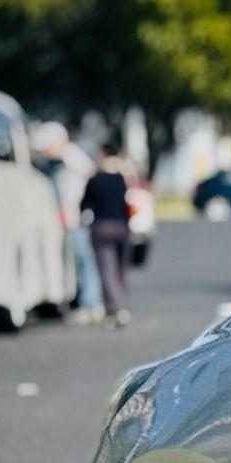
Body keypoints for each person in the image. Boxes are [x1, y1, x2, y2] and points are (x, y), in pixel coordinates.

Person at [32, 122, 103, 321]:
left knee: (83, 261)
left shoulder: (70, 158)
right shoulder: (65, 161)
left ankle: (91, 302)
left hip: (75, 220)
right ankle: (83, 300)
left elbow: (82, 183)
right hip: (70, 219)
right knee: (76, 262)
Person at [80, 142, 134, 327]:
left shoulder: (95, 179)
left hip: (102, 227)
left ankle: (116, 308)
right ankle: (119, 305)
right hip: (122, 227)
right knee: (119, 269)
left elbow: (84, 205)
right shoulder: (121, 180)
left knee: (106, 269)